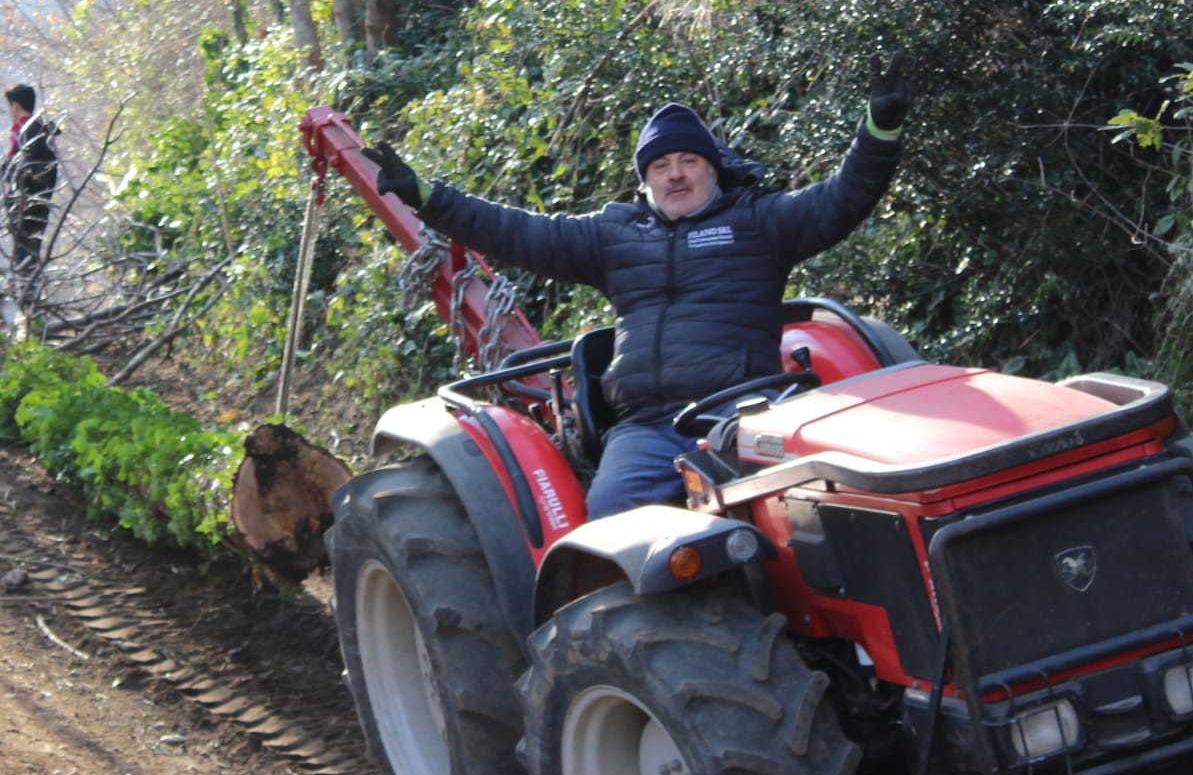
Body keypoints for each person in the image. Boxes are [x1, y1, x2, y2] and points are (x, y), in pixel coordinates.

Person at [368, 55, 913, 520]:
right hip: (645, 429)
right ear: (646, 181)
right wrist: (425, 197)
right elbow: (514, 231)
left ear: (713, 171)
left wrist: (879, 133)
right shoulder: (612, 235)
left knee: (780, 521)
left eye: (689, 161)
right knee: (608, 523)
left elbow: (842, 198)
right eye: (661, 165)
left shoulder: (760, 221)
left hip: (742, 410)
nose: (675, 174)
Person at [1, 83, 60, 281]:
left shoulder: (28, 131)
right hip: (36, 204)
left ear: (15, 106)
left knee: (26, 257)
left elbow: (24, 167)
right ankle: (29, 291)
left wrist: (9, 176)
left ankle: (28, 293)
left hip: (28, 206)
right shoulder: (39, 131)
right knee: (28, 254)